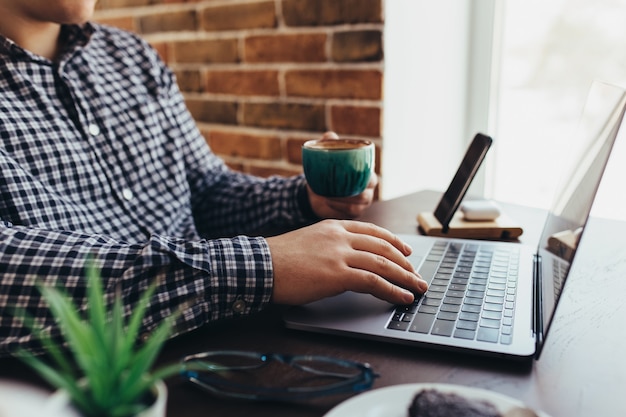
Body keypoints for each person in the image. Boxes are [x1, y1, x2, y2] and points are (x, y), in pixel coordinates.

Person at [0, 0, 427, 356]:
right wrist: (261, 265)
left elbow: (205, 189)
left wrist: (303, 201)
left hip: (219, 343)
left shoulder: (131, 57)